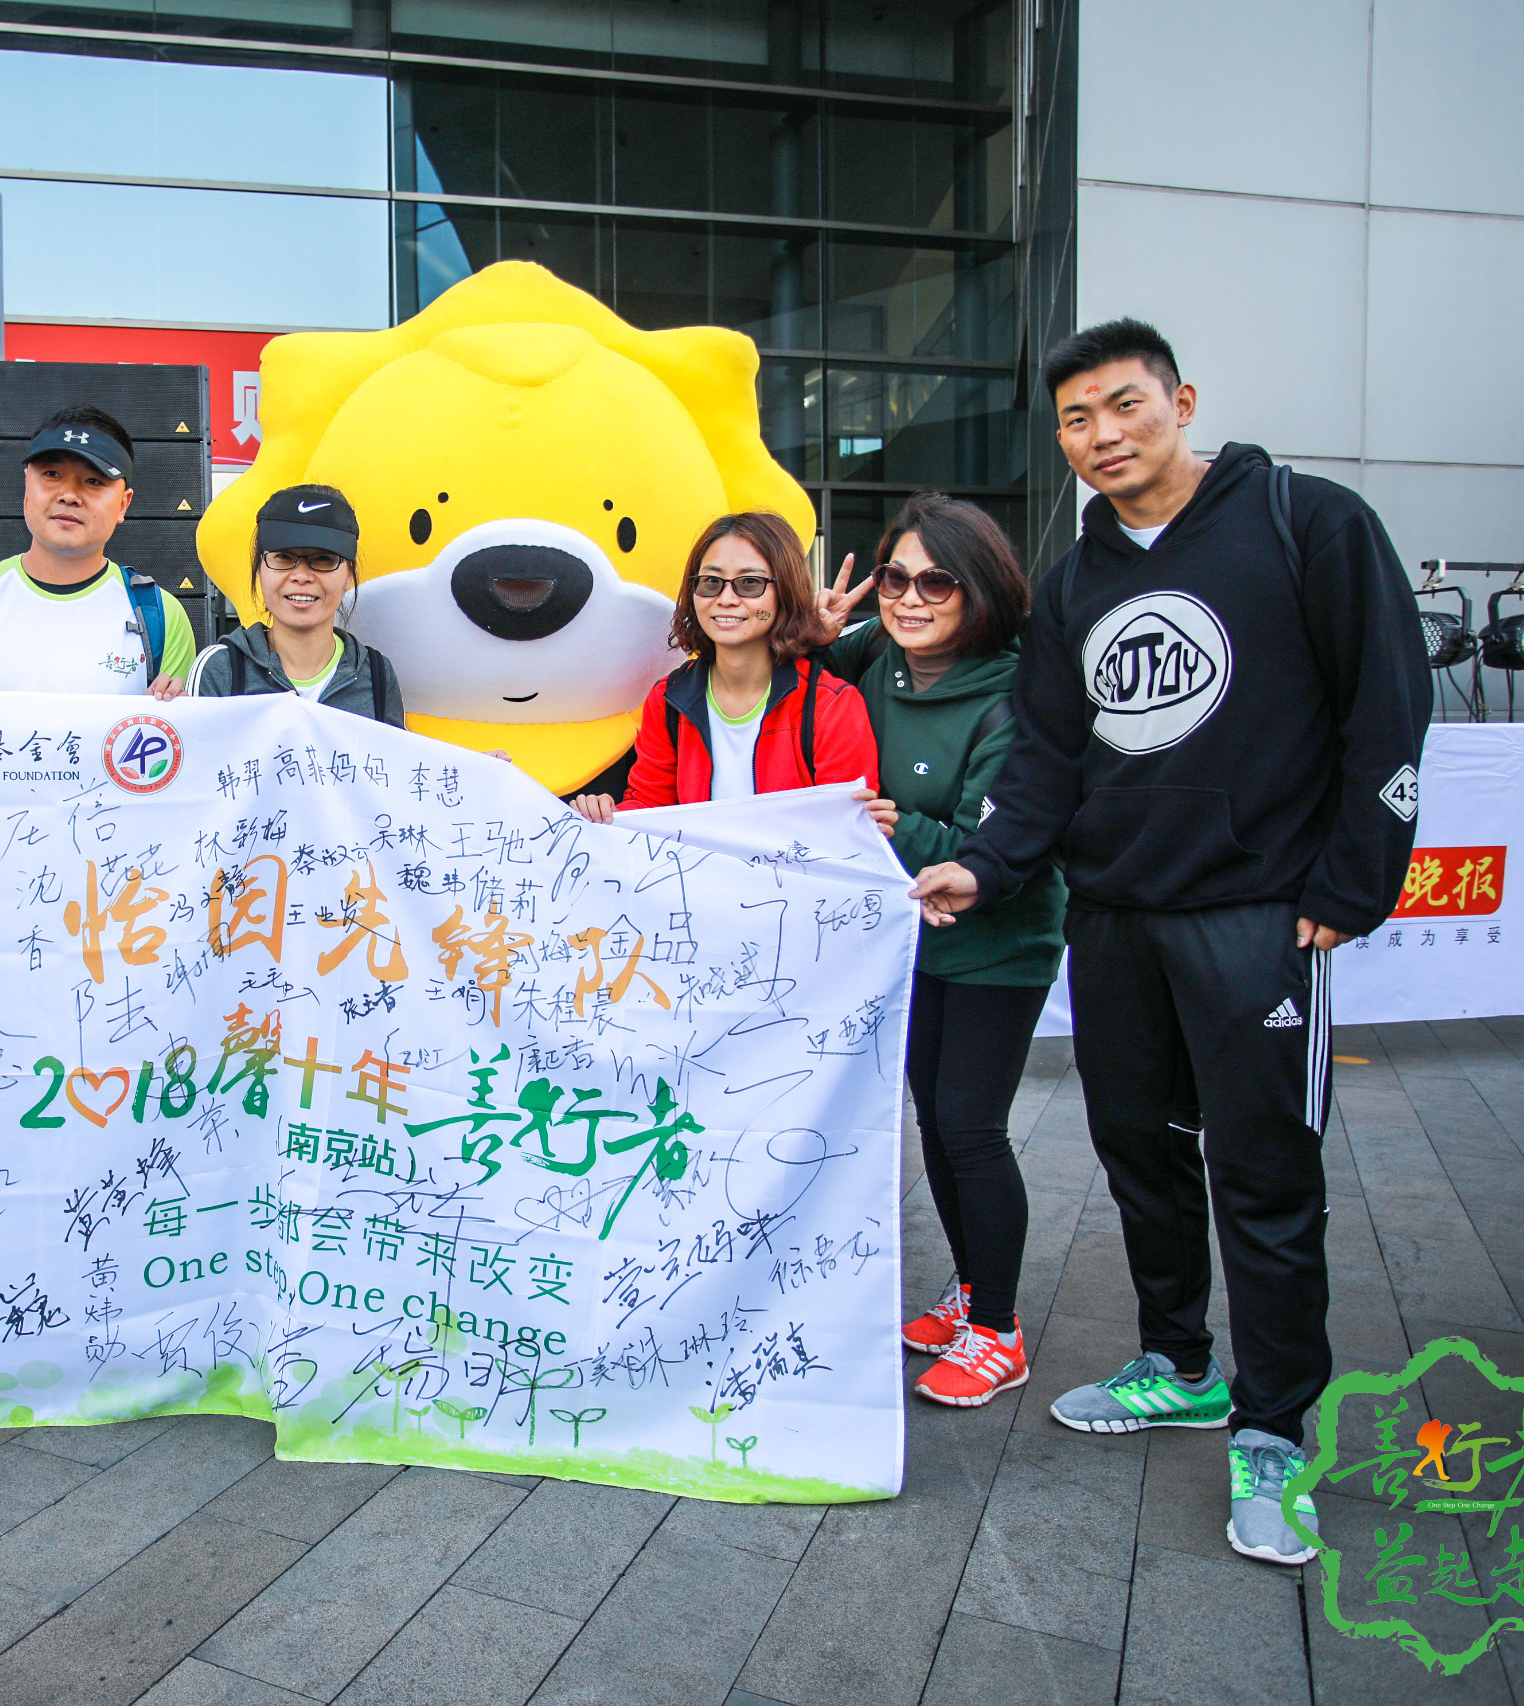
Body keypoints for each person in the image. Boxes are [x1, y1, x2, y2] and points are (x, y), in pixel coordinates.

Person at [908, 319, 1430, 1565]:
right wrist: (986, 864)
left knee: (1263, 1174)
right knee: (1138, 1152)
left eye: (1124, 405)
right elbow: (1045, 758)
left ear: (1180, 402)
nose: (1103, 435)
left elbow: (1386, 703)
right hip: (1116, 918)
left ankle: (1273, 1429)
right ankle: (1178, 1362)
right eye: (1076, 419)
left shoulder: (1306, 522)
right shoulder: (1076, 580)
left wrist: (1353, 882)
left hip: (1257, 914)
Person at [808, 495, 1067, 1409]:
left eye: (936, 583)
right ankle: (970, 1289)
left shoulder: (1014, 696)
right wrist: (815, 632)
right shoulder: (873, 655)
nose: (909, 599)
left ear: (980, 590)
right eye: (895, 577)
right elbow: (798, 683)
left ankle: (998, 1330)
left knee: (970, 1126)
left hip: (998, 942)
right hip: (906, 947)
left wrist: (891, 824)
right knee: (934, 1121)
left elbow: (988, 846)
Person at [572, 510, 875, 821]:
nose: (726, 598)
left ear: (784, 592)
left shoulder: (831, 707)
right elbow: (649, 810)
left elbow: (845, 829)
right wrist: (604, 817)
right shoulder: (667, 700)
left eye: (749, 583)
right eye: (710, 582)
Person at [0, 405, 192, 698]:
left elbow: (173, 727)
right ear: (27, 486)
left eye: (93, 481)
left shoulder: (160, 616)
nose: (69, 496)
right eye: (52, 474)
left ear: (123, 504)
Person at [188, 485, 405, 727]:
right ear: (259, 568)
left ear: (349, 574)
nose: (301, 576)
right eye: (283, 557)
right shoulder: (220, 668)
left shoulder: (378, 676)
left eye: (323, 559)